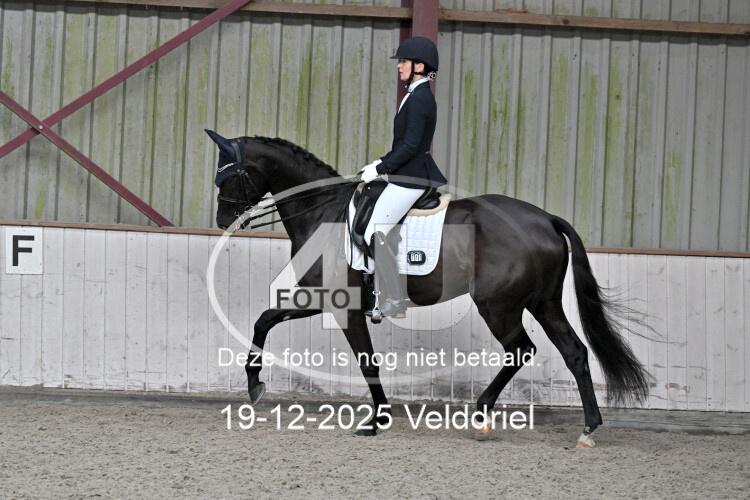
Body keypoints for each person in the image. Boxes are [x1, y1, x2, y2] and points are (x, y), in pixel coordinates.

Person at [358, 36, 448, 317]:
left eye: (404, 62)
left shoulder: (420, 98)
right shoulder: (415, 94)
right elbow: (403, 145)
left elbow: (410, 146)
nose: (399, 66)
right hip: (405, 173)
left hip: (411, 178)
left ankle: (394, 299)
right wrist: (381, 161)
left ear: (419, 66)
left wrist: (381, 170)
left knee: (375, 232)